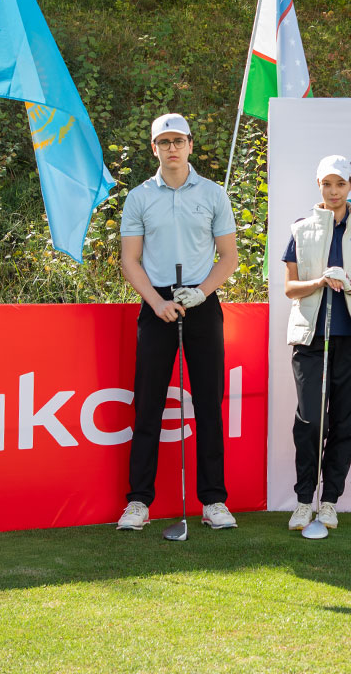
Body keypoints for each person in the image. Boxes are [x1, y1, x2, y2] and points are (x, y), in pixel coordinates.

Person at [116, 113, 239, 531]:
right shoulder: (139, 197)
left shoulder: (213, 193)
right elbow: (130, 260)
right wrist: (156, 302)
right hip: (157, 305)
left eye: (179, 141)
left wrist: (202, 292)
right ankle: (139, 501)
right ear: (155, 148)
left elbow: (229, 257)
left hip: (201, 301)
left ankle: (214, 501)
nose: (172, 148)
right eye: (164, 142)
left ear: (190, 145)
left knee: (208, 404)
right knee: (148, 404)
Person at [283, 155, 351, 531]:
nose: (333, 191)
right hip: (312, 339)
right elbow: (290, 287)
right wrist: (320, 281)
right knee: (311, 421)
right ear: (319, 186)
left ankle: (329, 501)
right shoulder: (301, 229)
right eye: (327, 184)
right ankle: (303, 500)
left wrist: (350, 284)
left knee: (346, 423)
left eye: (340, 184)